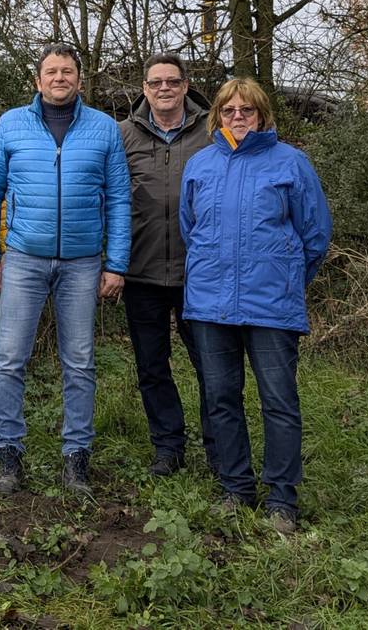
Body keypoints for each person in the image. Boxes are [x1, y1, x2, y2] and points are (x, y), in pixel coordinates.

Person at [0, 43, 131, 494]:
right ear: (37, 80)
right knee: (8, 360)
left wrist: (116, 262)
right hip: (23, 257)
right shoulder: (10, 125)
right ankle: (9, 454)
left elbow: (120, 200)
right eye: (51, 71)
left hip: (84, 263)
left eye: (67, 71)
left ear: (79, 80)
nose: (59, 78)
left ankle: (76, 457)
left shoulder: (103, 129)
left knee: (79, 362)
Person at [180, 78, 331, 534]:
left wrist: (284, 279)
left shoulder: (291, 163)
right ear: (217, 117)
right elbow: (191, 231)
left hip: (271, 306)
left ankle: (282, 498)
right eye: (229, 111)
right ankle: (236, 488)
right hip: (210, 305)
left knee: (279, 403)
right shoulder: (200, 165)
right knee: (221, 398)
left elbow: (315, 235)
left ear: (262, 115)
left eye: (247, 110)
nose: (238, 117)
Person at [119, 53, 217, 476]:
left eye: (172, 82)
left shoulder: (212, 132)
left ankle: (221, 451)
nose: (164, 89)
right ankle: (168, 447)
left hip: (201, 273)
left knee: (212, 368)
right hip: (141, 270)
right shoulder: (122, 134)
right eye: (155, 82)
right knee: (152, 367)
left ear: (184, 85)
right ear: (144, 88)